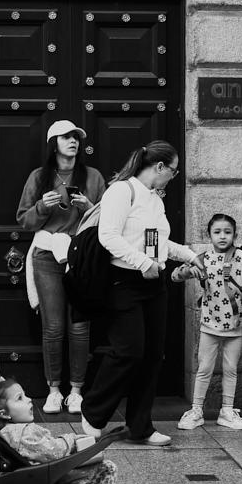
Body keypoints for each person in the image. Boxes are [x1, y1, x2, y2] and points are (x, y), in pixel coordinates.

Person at [78, 140, 199, 447]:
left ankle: (140, 427)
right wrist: (143, 262)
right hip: (123, 281)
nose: (173, 176)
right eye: (173, 171)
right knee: (128, 351)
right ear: (159, 167)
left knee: (152, 355)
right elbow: (108, 236)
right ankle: (93, 413)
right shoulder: (122, 191)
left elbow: (157, 242)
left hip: (154, 283)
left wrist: (189, 255)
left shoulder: (155, 199)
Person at [16, 119, 107, 414]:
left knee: (79, 326)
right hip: (47, 254)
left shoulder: (92, 176)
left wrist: (88, 207)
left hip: (81, 255)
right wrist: (43, 205)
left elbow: (109, 220)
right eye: (66, 137)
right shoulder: (39, 177)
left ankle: (76, 391)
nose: (73, 141)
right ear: (53, 143)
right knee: (53, 327)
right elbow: (24, 220)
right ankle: (54, 390)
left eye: (76, 137)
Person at [0, 379, 131, 484]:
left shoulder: (8, 433)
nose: (29, 399)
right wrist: (72, 439)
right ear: (4, 414)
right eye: (20, 398)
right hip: (55, 479)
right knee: (107, 468)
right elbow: (55, 451)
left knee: (97, 463)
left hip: (44, 475)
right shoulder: (25, 433)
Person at [174, 213, 242, 431]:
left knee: (230, 368)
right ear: (209, 235)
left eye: (227, 232)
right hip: (209, 324)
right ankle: (196, 410)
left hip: (235, 325)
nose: (222, 236)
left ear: (235, 235)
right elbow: (174, 276)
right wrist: (188, 269)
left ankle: (227, 411)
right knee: (204, 368)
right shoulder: (203, 259)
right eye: (217, 232)